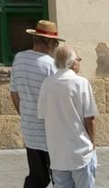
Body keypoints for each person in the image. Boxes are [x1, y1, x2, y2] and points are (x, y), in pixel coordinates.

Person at [10, 19, 62, 188]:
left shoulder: (19, 58)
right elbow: (58, 99)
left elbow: (14, 93)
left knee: (37, 177)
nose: (55, 47)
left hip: (30, 129)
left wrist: (25, 114)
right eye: (55, 43)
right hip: (51, 132)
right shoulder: (51, 65)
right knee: (59, 177)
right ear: (48, 42)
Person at [37, 43, 98, 188]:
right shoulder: (81, 83)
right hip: (80, 150)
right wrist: (93, 143)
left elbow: (42, 115)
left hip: (58, 153)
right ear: (73, 62)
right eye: (79, 59)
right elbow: (90, 118)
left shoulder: (47, 83)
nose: (79, 63)